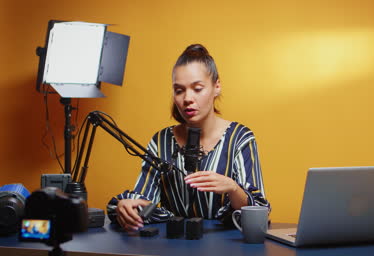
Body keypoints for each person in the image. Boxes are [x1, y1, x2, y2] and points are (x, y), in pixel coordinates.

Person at [107, 44, 270, 232]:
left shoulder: (240, 138)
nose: (187, 99)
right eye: (179, 90)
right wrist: (127, 206)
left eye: (197, 88)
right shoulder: (161, 141)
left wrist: (233, 188)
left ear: (216, 86)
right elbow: (144, 199)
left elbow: (259, 211)